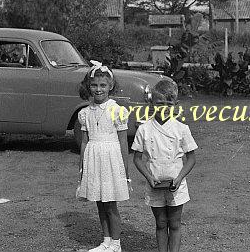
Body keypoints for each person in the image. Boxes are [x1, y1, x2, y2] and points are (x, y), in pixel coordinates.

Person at [132, 80, 198, 252]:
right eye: (159, 104)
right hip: (154, 184)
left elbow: (191, 158)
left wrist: (180, 177)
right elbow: (137, 159)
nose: (164, 108)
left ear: (176, 105)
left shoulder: (181, 128)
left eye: (169, 104)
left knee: (175, 223)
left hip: (176, 184)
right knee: (160, 223)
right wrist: (149, 177)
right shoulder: (144, 129)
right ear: (152, 104)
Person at [76, 60, 130, 252]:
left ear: (111, 86)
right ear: (88, 86)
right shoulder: (85, 113)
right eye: (94, 85)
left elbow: (123, 142)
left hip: (110, 159)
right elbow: (84, 141)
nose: (98, 89)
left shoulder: (117, 110)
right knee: (99, 202)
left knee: (110, 204)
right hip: (93, 158)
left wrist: (125, 168)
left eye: (103, 85)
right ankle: (106, 241)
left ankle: (116, 244)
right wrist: (82, 166)